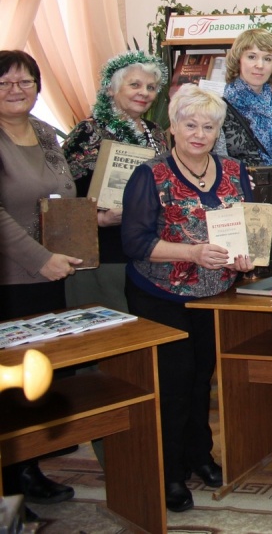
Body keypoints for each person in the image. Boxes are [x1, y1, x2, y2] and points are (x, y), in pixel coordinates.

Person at [121, 84, 255, 512]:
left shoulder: (234, 170)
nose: (199, 134)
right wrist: (192, 253)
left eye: (208, 127)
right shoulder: (151, 175)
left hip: (214, 297)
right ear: (173, 128)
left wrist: (245, 257)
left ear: (218, 132)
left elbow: (249, 228)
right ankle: (170, 472)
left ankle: (201, 456)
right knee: (174, 384)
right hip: (161, 295)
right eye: (190, 125)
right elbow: (135, 243)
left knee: (202, 379)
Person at [0, 51, 81, 512]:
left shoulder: (47, 133)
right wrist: (40, 258)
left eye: (25, 81)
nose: (16, 90)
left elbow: (62, 195)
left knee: (38, 376)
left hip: (51, 275)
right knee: (9, 382)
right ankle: (8, 487)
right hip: (11, 279)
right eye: (4, 82)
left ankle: (28, 468)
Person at [61, 51, 168, 311]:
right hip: (103, 253)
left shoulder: (155, 132)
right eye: (135, 85)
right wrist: (98, 218)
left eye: (151, 87)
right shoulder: (88, 131)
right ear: (111, 89)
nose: (144, 93)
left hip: (148, 250)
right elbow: (62, 194)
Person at [214, 28, 272, 167]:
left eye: (267, 59)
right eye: (252, 57)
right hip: (236, 182)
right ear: (238, 60)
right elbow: (216, 166)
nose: (260, 65)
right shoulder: (217, 109)